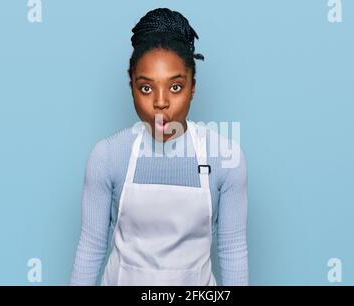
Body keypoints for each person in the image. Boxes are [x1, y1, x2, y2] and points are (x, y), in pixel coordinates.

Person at [70, 7, 248, 286]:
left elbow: (233, 250)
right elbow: (91, 247)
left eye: (175, 87)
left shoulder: (226, 158)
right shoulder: (108, 156)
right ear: (131, 87)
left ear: (192, 87)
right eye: (146, 88)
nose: (161, 102)